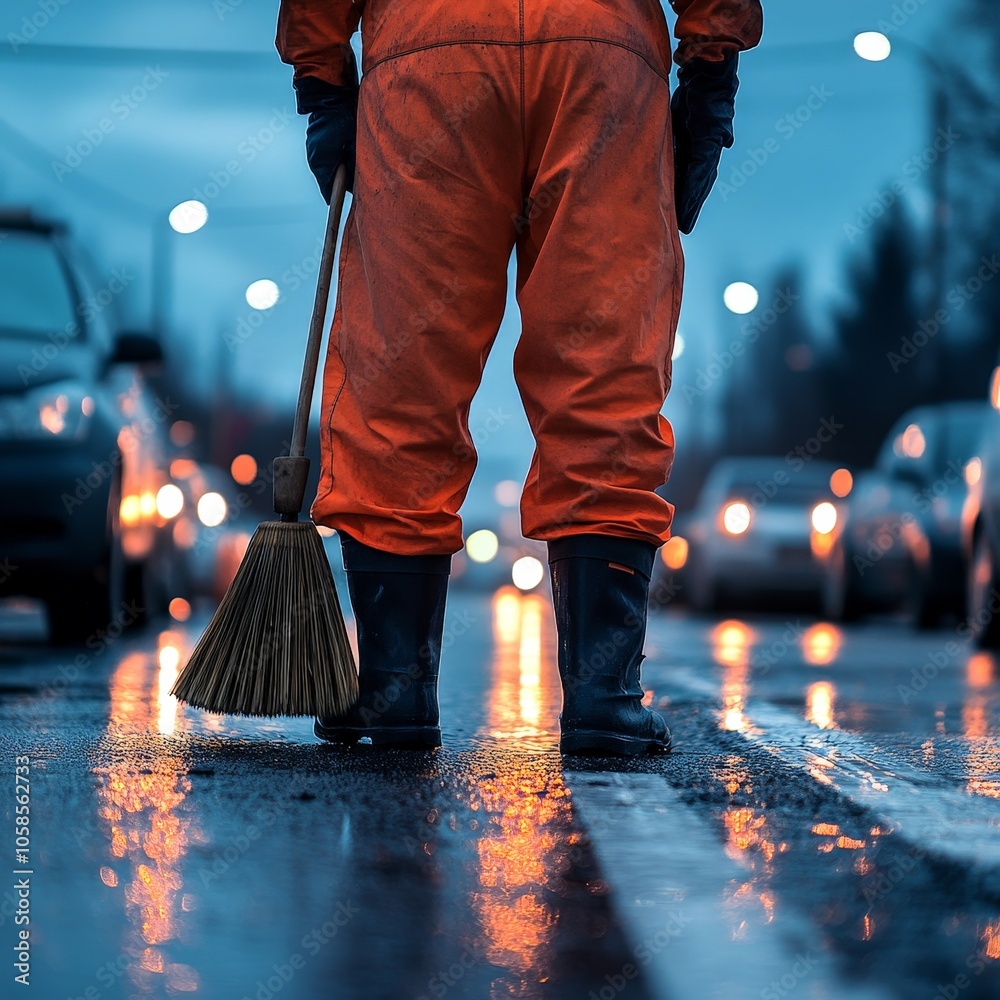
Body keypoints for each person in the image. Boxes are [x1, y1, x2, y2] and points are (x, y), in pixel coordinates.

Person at [276, 0, 763, 755]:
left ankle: (396, 689)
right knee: (604, 369)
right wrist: (711, 71)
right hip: (599, 61)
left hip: (432, 60)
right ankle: (604, 696)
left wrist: (323, 78)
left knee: (403, 374)